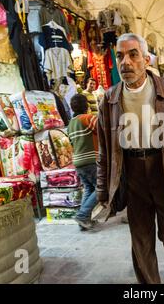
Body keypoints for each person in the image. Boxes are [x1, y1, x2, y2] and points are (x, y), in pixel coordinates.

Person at [96, 33, 164, 284]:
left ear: (147, 59)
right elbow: (104, 152)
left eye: (133, 55)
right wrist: (102, 189)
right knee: (140, 239)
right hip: (132, 174)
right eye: (120, 56)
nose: (125, 62)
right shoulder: (109, 100)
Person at [67, 94, 100, 230]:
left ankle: (84, 221)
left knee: (89, 188)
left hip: (78, 162)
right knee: (102, 188)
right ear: (86, 106)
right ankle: (82, 215)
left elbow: (71, 142)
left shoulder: (70, 124)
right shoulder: (88, 118)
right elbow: (104, 130)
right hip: (91, 160)